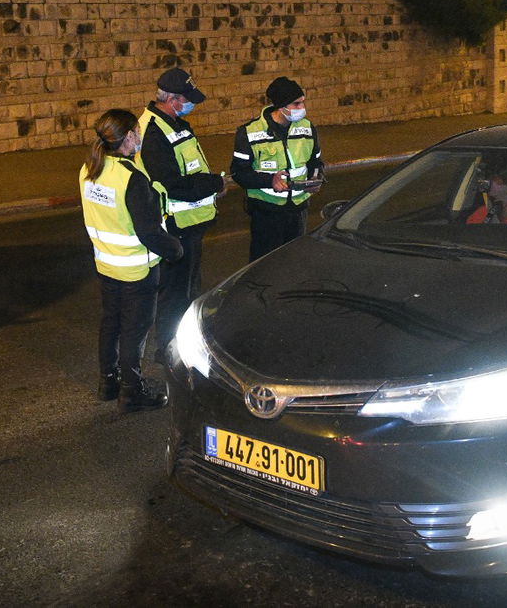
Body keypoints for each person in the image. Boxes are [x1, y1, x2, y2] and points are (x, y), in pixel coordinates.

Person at [79, 109, 182, 413]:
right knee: (134, 331)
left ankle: (108, 382)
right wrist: (175, 249)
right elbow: (148, 232)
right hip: (136, 270)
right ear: (127, 138)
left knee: (111, 323)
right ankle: (131, 392)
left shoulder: (88, 169)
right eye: (137, 132)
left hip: (106, 265)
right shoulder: (131, 179)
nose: (140, 137)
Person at [138, 67, 226, 350]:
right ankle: (168, 349)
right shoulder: (153, 133)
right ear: (172, 98)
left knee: (188, 288)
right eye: (186, 99)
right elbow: (173, 184)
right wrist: (214, 184)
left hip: (191, 223)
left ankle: (184, 342)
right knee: (174, 293)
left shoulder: (175, 123)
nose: (190, 105)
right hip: (175, 226)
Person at [231, 76, 324, 261]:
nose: (302, 109)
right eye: (296, 104)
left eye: (303, 103)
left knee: (294, 262)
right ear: (281, 107)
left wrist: (317, 177)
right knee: (264, 264)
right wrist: (269, 180)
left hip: (298, 210)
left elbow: (316, 162)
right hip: (266, 212)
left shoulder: (307, 128)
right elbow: (239, 173)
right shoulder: (249, 132)